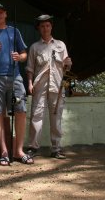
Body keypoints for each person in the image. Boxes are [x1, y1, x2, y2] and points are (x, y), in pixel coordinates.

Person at [0, 3, 33, 166]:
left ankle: (18, 150)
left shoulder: (14, 31)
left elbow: (25, 53)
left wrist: (20, 57)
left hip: (15, 76)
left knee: (21, 111)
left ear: (5, 14)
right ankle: (4, 151)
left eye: (1, 12)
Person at [26, 14, 72, 159]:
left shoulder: (61, 45)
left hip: (57, 86)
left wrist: (68, 64)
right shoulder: (34, 47)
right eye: (42, 26)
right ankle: (33, 147)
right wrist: (29, 83)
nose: (45, 28)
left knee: (56, 117)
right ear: (39, 29)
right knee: (36, 116)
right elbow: (30, 69)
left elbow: (67, 68)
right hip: (39, 85)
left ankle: (56, 149)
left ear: (51, 27)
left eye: (47, 25)